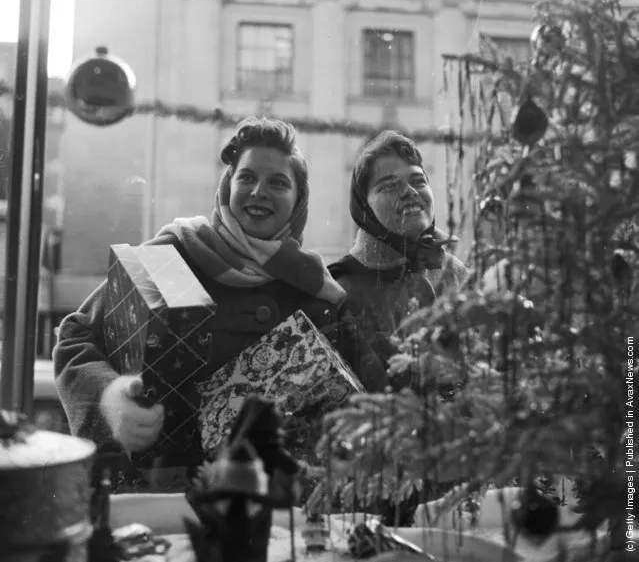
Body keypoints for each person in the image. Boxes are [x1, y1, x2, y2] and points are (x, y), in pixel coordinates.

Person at [53, 117, 361, 491]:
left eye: (278, 182)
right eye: (246, 177)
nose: (259, 191)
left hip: (263, 506)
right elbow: (75, 334)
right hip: (157, 492)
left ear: (298, 202)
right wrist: (109, 401)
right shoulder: (176, 253)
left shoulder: (316, 290)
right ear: (228, 185)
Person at [328, 130, 470, 525]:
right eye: (389, 185)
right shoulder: (340, 292)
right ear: (364, 207)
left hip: (462, 487)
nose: (410, 192)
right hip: (379, 498)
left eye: (418, 180)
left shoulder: (458, 276)